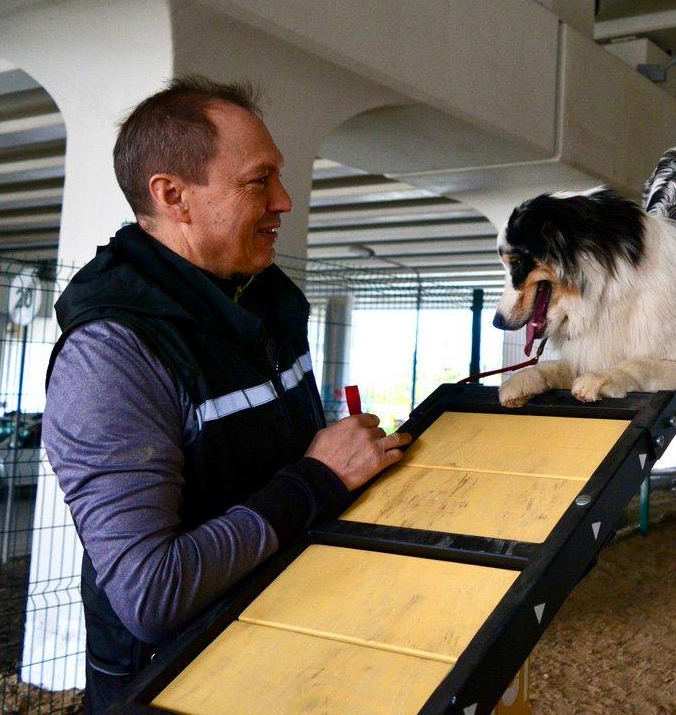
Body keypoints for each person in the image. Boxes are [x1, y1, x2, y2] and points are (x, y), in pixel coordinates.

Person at [42, 76, 410, 713]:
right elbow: (152, 594)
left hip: (277, 639)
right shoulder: (113, 355)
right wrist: (319, 479)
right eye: (258, 180)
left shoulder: (261, 296)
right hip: (177, 681)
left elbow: (272, 457)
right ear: (174, 195)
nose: (285, 201)